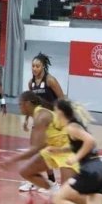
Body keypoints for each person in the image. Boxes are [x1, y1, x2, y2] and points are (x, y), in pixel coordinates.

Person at [21, 52, 64, 192]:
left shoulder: (50, 80)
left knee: (44, 151)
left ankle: (52, 182)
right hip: (38, 120)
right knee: (34, 150)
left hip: (50, 120)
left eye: (37, 66)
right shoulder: (31, 83)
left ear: (43, 66)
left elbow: (62, 99)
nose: (34, 69)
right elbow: (30, 102)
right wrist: (26, 119)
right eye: (33, 66)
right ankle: (33, 180)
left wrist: (62, 118)